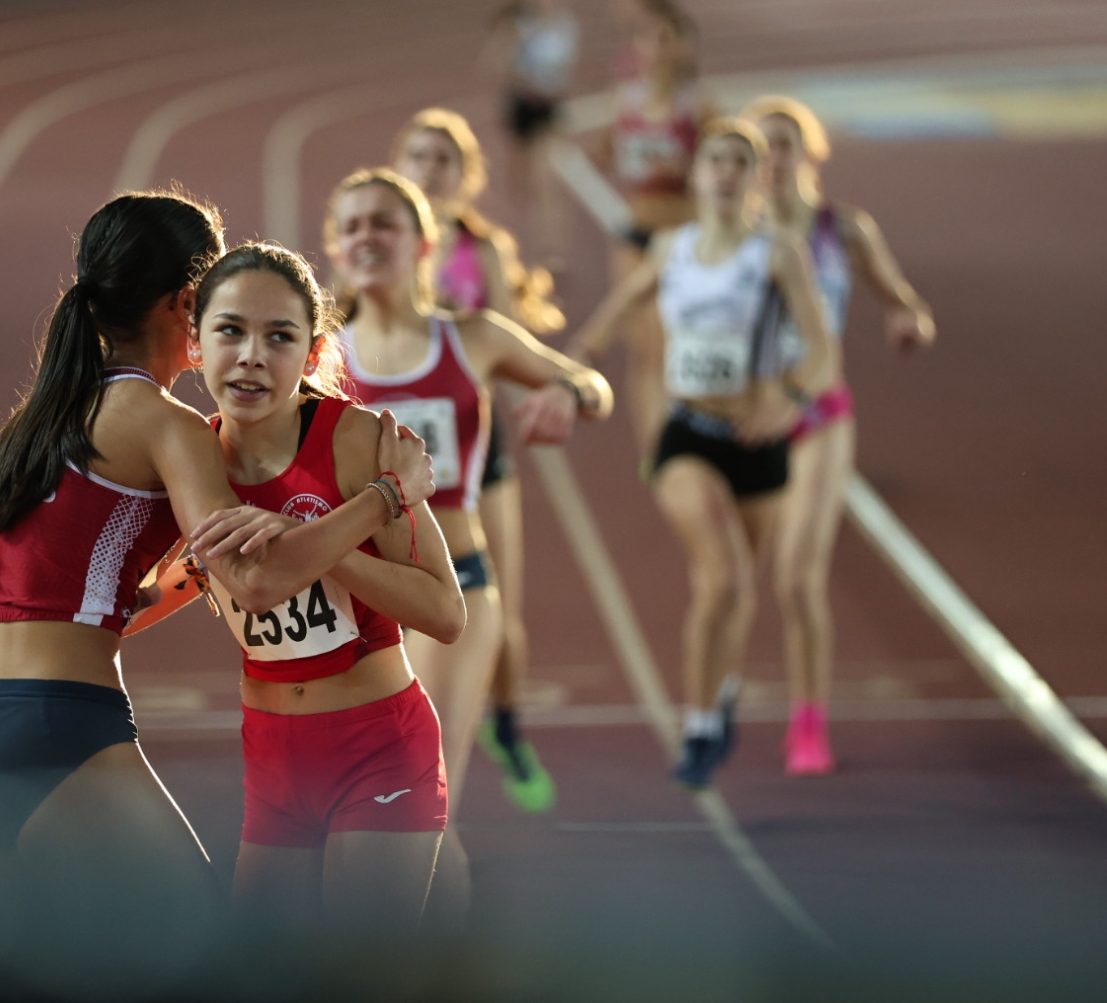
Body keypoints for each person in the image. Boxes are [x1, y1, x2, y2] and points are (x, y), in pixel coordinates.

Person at [0, 192, 437, 951]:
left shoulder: (34, 416)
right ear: (186, 305)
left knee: (39, 979)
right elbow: (258, 582)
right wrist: (386, 498)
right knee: (205, 958)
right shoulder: (165, 423)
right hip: (59, 729)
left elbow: (61, 568)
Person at [143, 241, 465, 933]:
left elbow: (445, 611)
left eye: (279, 337)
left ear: (313, 353)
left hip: (376, 747)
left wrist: (309, 547)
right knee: (264, 986)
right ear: (196, 341)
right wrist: (2, 571)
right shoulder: (188, 456)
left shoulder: (354, 440)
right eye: (230, 330)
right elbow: (152, 590)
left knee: (365, 988)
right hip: (272, 756)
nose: (252, 355)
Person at [324, 167, 613, 927]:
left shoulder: (472, 338)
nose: (366, 238)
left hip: (454, 588)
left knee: (424, 797)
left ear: (424, 241)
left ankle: (431, 969)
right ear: (336, 247)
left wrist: (567, 394)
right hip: (357, 606)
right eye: (351, 226)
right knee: (359, 810)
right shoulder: (323, 360)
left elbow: (591, 380)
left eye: (383, 222)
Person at [570, 118, 836, 791]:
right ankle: (700, 725)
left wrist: (792, 399)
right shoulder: (673, 247)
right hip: (686, 434)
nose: (724, 173)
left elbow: (823, 350)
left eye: (738, 163)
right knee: (724, 577)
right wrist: (578, 361)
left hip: (758, 442)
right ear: (697, 175)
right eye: (713, 161)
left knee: (735, 587)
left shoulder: (777, 255)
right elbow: (623, 303)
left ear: (755, 178)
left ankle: (720, 688)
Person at [740, 96, 936, 775]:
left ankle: (808, 720)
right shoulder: (737, 235)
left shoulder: (844, 230)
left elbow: (902, 297)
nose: (771, 160)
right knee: (735, 577)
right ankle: (718, 700)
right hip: (748, 418)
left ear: (810, 153)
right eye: (758, 149)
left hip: (819, 416)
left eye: (783, 145)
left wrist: (908, 321)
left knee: (797, 579)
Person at [391, 107, 561, 813]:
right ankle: (407, 759)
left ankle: (509, 723)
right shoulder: (380, 248)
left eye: (444, 161)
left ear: (466, 179)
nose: (430, 171)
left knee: (497, 602)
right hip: (393, 459)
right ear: (399, 167)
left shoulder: (480, 253)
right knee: (400, 606)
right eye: (419, 157)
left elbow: (505, 347)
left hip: (474, 456)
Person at [594, 1, 719, 450]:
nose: (658, 48)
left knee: (675, 344)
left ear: (684, 46)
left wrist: (686, 170)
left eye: (668, 38)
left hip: (683, 235)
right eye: (649, 38)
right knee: (643, 348)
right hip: (637, 232)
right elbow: (605, 152)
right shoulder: (625, 101)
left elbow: (724, 170)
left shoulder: (700, 106)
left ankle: (690, 434)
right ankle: (655, 448)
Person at [481, 0, 580, 267]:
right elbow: (497, 65)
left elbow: (564, 69)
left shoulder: (564, 25)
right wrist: (512, 42)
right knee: (520, 181)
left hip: (547, 108)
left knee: (547, 179)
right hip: (521, 106)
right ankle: (516, 239)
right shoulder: (518, 22)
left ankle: (552, 249)